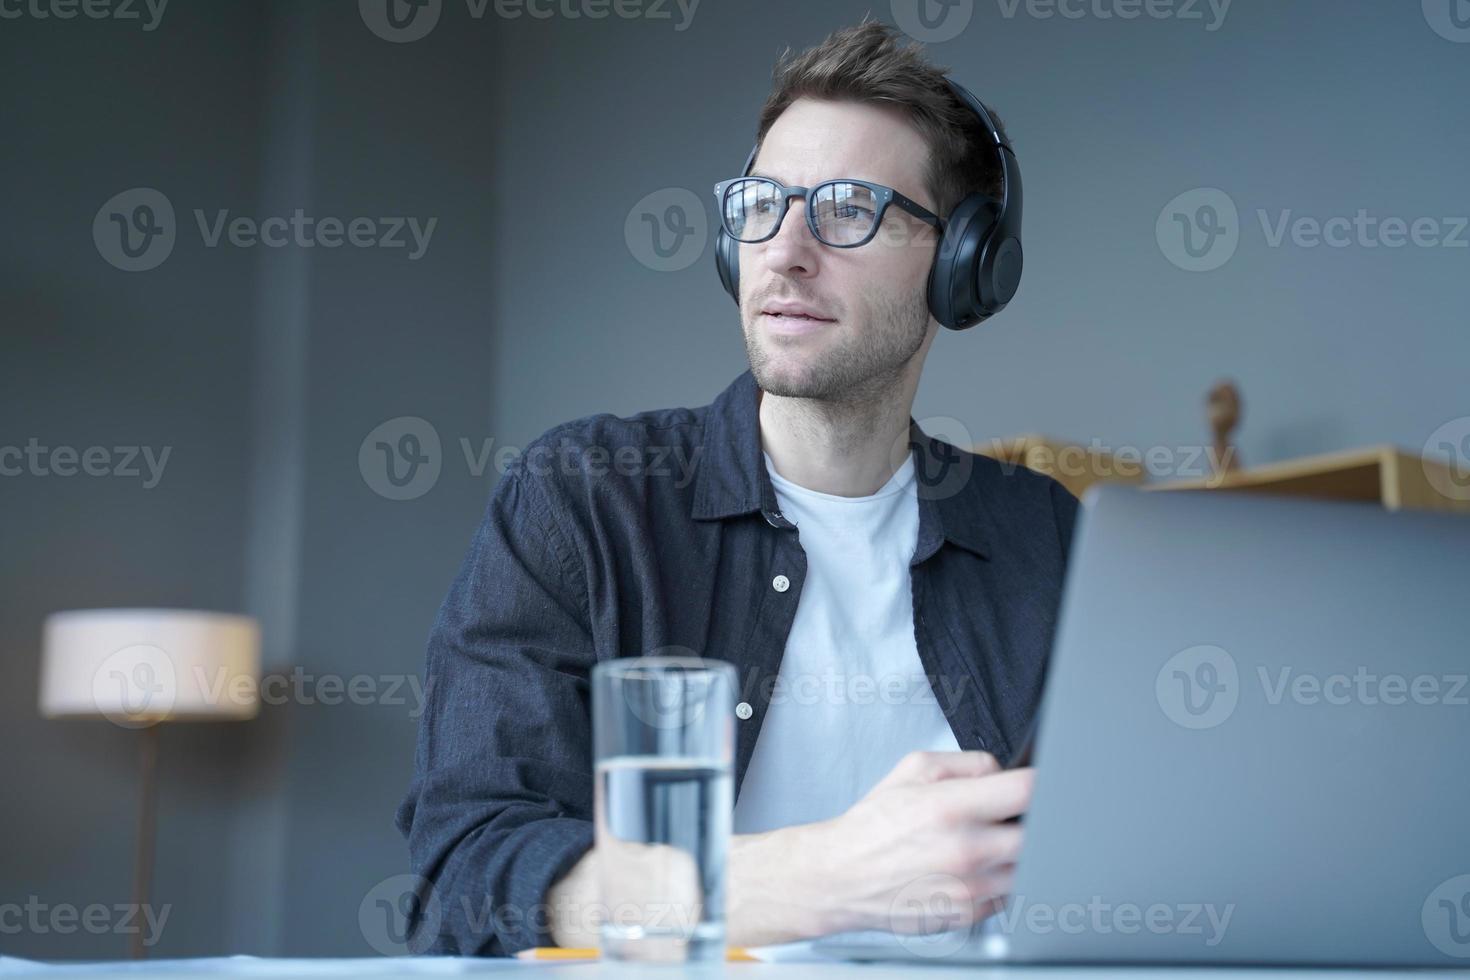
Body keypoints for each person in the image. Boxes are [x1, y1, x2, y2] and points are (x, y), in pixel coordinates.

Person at [395, 18, 1078, 957]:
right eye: (762, 203)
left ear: (963, 265)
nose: (786, 250)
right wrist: (829, 876)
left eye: (847, 209)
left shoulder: (1045, 534)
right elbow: (465, 876)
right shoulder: (587, 500)